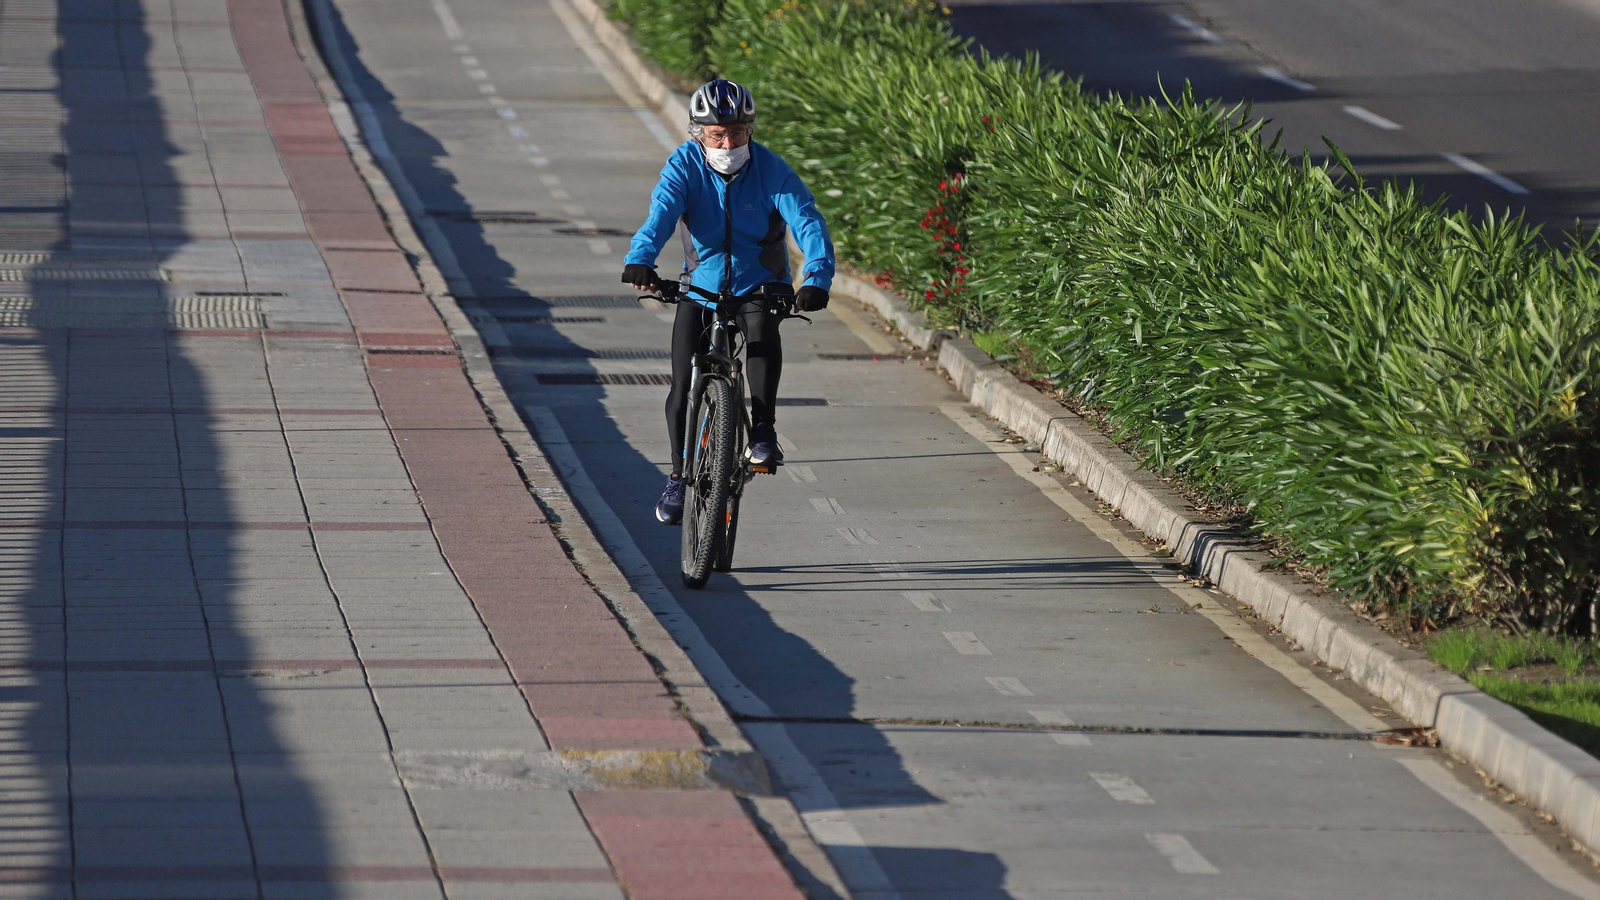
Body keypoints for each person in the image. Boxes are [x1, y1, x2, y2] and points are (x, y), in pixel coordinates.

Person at [622, 79, 835, 526]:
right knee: (683, 382)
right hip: (701, 286)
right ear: (697, 132)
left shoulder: (771, 169)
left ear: (750, 130)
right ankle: (678, 476)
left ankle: (763, 432)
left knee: (761, 329)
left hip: (760, 284)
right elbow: (660, 214)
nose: (727, 144)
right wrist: (640, 259)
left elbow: (807, 222)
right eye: (716, 134)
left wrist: (815, 278)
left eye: (736, 133)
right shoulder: (684, 165)